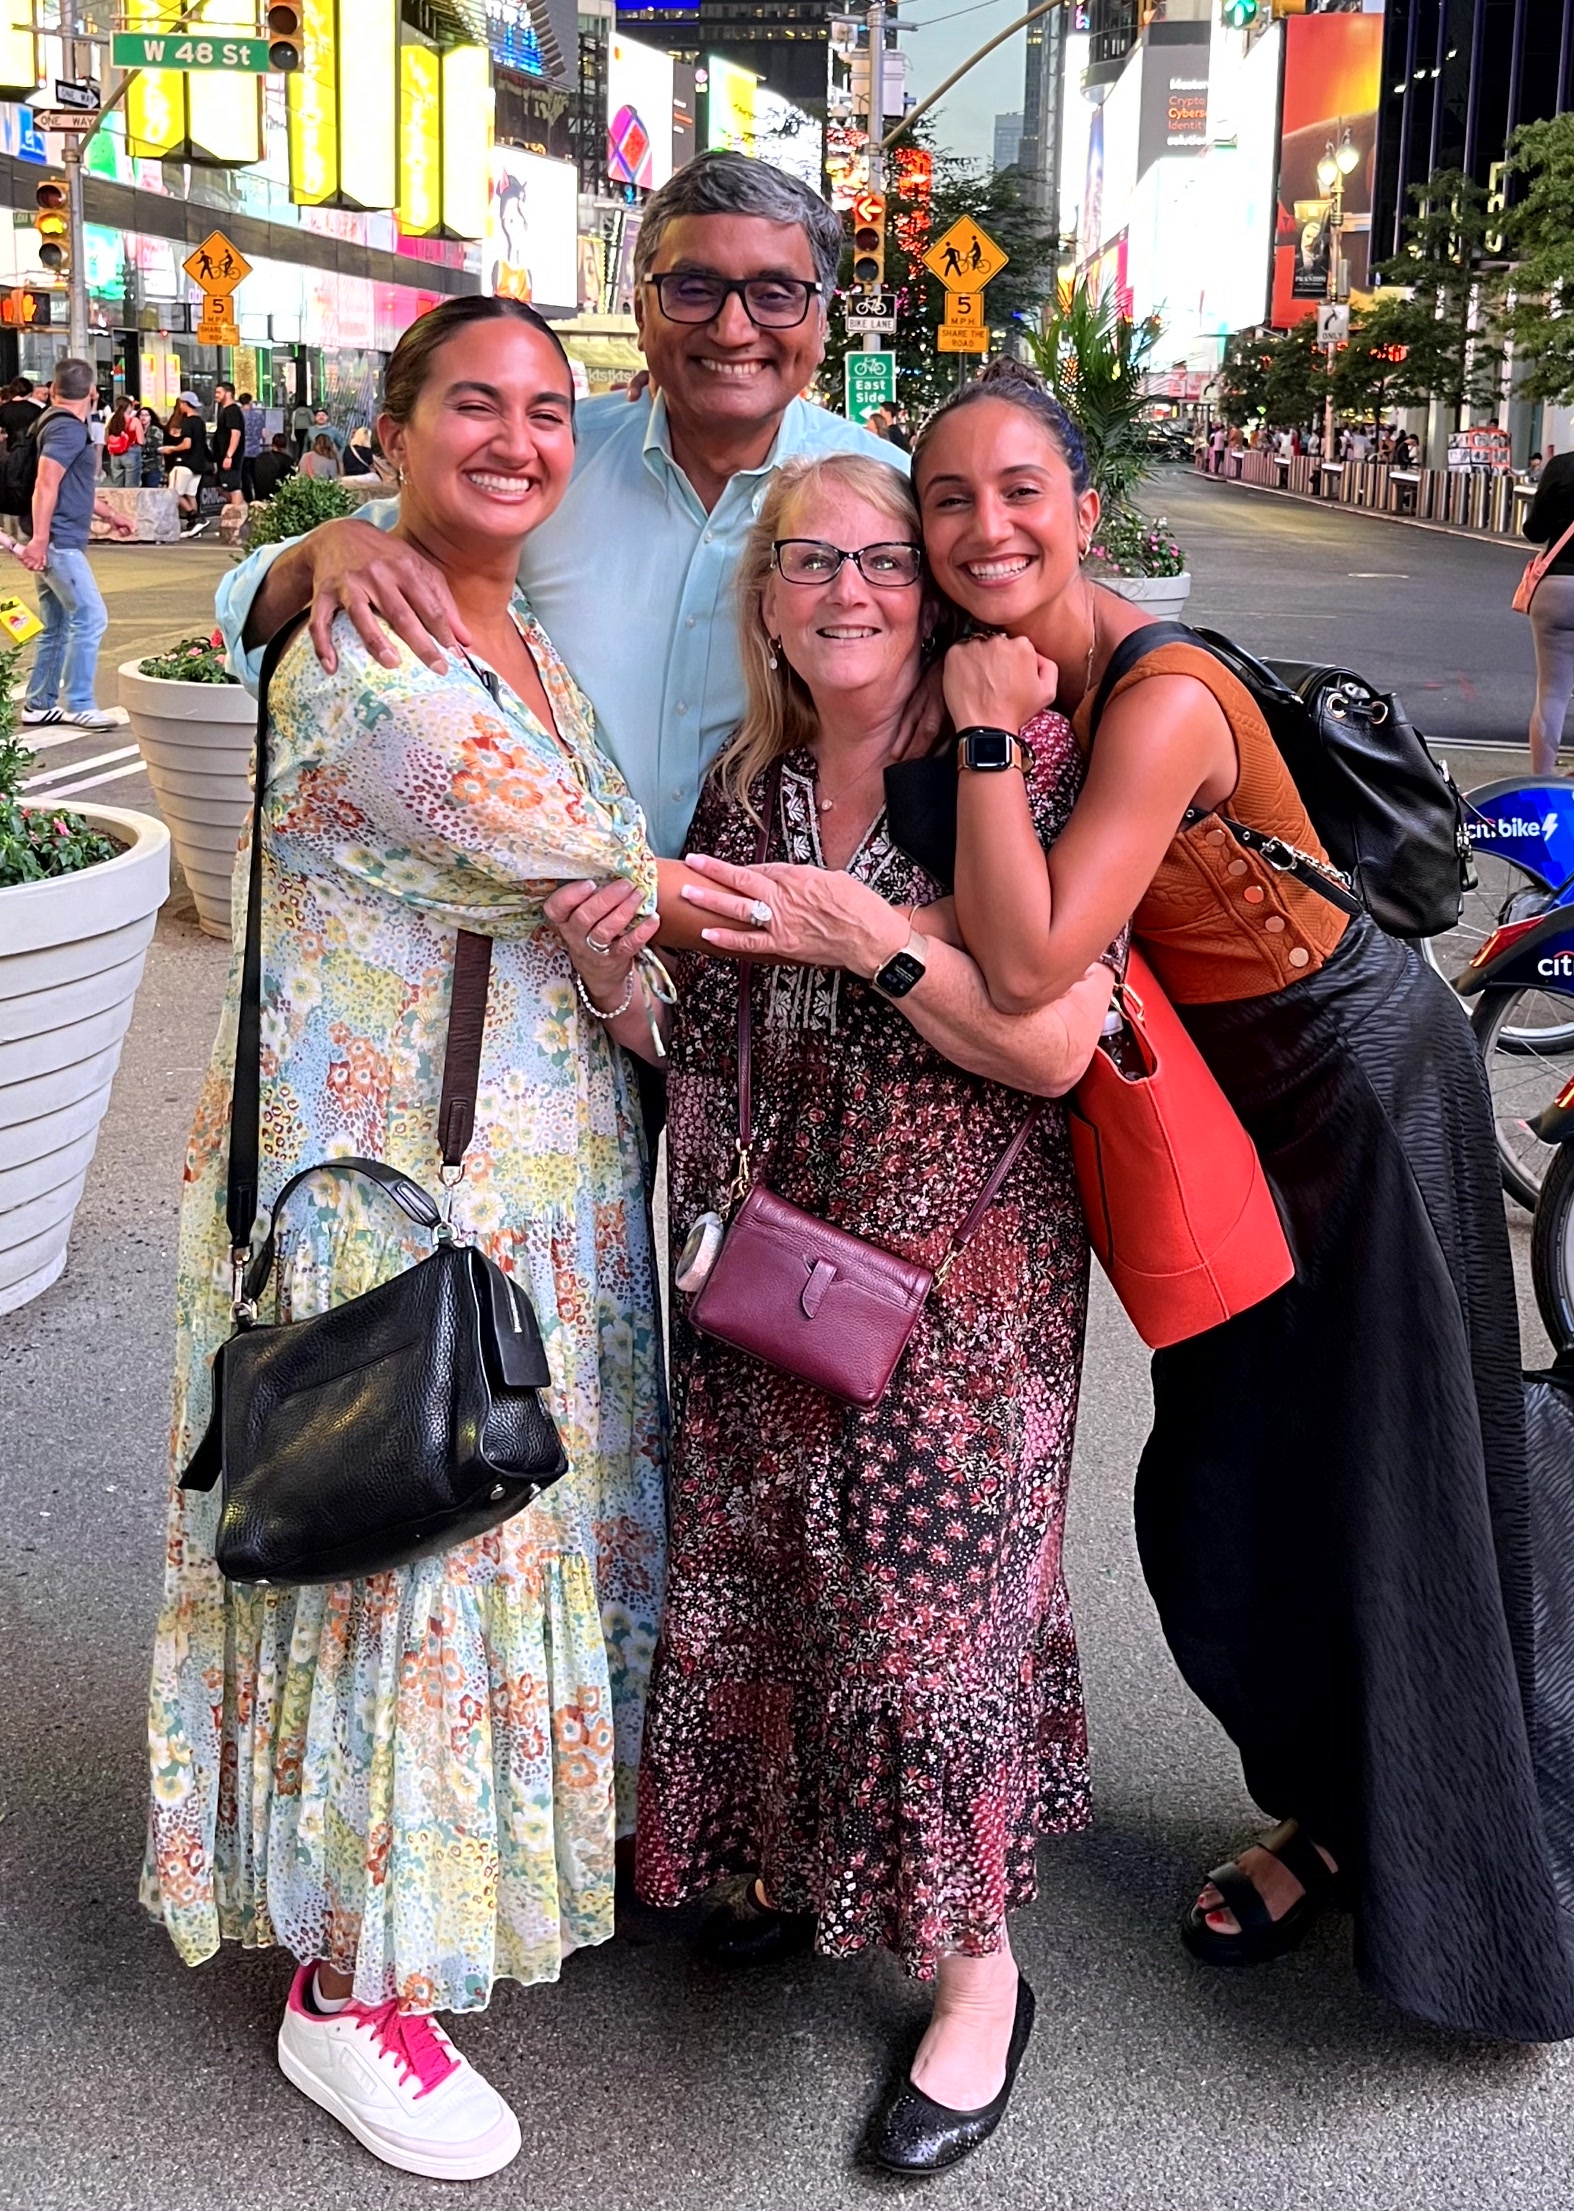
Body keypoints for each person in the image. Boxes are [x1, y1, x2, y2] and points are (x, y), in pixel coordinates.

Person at [909, 354, 1574, 2045]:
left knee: (1373, 1483)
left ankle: (1396, 1846)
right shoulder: (1013, 648)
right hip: (1246, 1114)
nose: (984, 525)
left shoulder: (1155, 694)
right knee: (1232, 1493)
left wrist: (987, 728)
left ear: (1079, 508)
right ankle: (1339, 1798)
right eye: (947, 497)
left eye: (1018, 492)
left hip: (1352, 1087)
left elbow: (1034, 951)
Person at [141, 295, 669, 2180]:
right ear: (393, 422)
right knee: (408, 1549)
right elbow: (576, 852)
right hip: (396, 1195)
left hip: (522, 1181)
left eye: (546, 410)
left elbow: (574, 897)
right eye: (474, 403)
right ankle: (347, 1988)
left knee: (474, 1543)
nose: (515, 439)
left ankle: (437, 1904)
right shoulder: (371, 643)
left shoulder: (519, 634)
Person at [546, 452, 1111, 2174]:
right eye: (811, 562)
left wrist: (861, 930)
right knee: (781, 1573)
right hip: (775, 1259)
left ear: (925, 593)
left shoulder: (1002, 769)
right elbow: (710, 1041)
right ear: (767, 597)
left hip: (959, 1286)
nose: (848, 590)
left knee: (921, 1628)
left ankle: (979, 1977)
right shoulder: (744, 784)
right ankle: (793, 1862)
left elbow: (1047, 1039)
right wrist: (608, 979)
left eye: (881, 559)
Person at [215, 151, 907, 864]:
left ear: (822, 322)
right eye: (693, 288)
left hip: (793, 947)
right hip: (552, 942)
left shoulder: (889, 495)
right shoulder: (543, 461)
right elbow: (250, 620)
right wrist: (322, 551)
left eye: (775, 294)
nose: (733, 329)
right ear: (641, 312)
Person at [16, 356, 134, 731]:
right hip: (58, 542)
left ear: (52, 390)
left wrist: (109, 515)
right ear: (93, 394)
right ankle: (80, 701)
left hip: (54, 539)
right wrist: (39, 539)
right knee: (90, 616)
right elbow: (45, 485)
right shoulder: (67, 430)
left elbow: (70, 488)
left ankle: (40, 703)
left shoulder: (49, 422)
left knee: (59, 622)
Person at [1522, 446, 1574, 774]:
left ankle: (1542, 781)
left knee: (1552, 692)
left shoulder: (1561, 467)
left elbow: (1535, 531)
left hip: (1558, 587)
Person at [162, 393, 211, 535]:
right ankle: (194, 528)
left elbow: (187, 444)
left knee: (174, 494)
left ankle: (195, 518)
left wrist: (171, 449)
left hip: (185, 463)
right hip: (198, 464)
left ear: (184, 403)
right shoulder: (200, 421)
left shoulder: (187, 422)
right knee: (191, 495)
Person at [213, 380, 246, 509]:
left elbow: (235, 433)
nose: (216, 395)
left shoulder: (232, 411)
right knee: (224, 488)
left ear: (228, 393)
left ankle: (237, 516)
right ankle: (239, 513)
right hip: (223, 457)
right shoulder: (225, 411)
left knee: (233, 487)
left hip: (230, 458)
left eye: (218, 392)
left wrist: (229, 456)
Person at [104, 396, 143, 488]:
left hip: (115, 455)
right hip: (131, 453)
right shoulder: (134, 421)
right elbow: (141, 441)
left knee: (117, 486)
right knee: (131, 487)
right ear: (129, 406)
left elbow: (106, 440)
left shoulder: (111, 420)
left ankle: (118, 502)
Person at [0, 374, 42, 449]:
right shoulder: (36, 409)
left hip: (11, 449)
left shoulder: (4, 409)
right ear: (29, 391)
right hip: (31, 449)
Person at [239, 388, 266, 501]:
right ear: (250, 402)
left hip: (243, 451)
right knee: (256, 476)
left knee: (245, 476)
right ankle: (259, 497)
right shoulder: (259, 416)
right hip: (256, 450)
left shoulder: (239, 416)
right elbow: (263, 433)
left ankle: (248, 498)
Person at [251, 431, 293, 501]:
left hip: (259, 495)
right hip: (276, 497)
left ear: (272, 443)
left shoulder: (260, 457)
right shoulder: (287, 460)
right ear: (285, 445)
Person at [138, 405, 164, 489]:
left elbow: (155, 448)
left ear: (151, 417)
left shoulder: (154, 430)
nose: (143, 417)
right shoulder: (138, 429)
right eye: (141, 415)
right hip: (141, 467)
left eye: (146, 415)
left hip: (153, 467)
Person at [290, 394, 313, 458]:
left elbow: (292, 421)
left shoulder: (295, 412)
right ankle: (307, 456)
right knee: (306, 444)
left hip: (297, 430)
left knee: (300, 445)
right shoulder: (309, 411)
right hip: (307, 429)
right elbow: (313, 420)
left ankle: (299, 457)